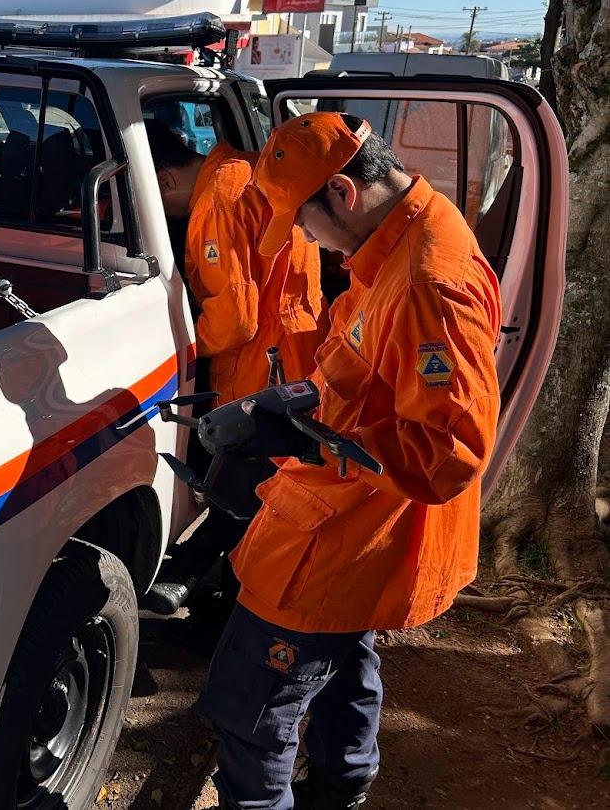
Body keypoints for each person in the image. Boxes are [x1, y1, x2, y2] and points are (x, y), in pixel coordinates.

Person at [196, 112, 503, 810]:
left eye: (304, 223)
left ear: (342, 190)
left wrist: (299, 436)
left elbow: (449, 453)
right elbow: (359, 369)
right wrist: (283, 399)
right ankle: (340, 789)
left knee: (252, 707)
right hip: (343, 513)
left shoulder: (430, 280)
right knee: (343, 660)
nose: (305, 241)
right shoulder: (393, 244)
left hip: (351, 528)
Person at [144, 118, 329, 623]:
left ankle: (220, 616)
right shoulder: (246, 169)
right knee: (263, 492)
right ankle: (219, 612)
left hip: (261, 365)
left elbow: (235, 319)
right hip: (298, 353)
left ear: (163, 180)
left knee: (243, 491)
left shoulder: (217, 203)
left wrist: (175, 350)